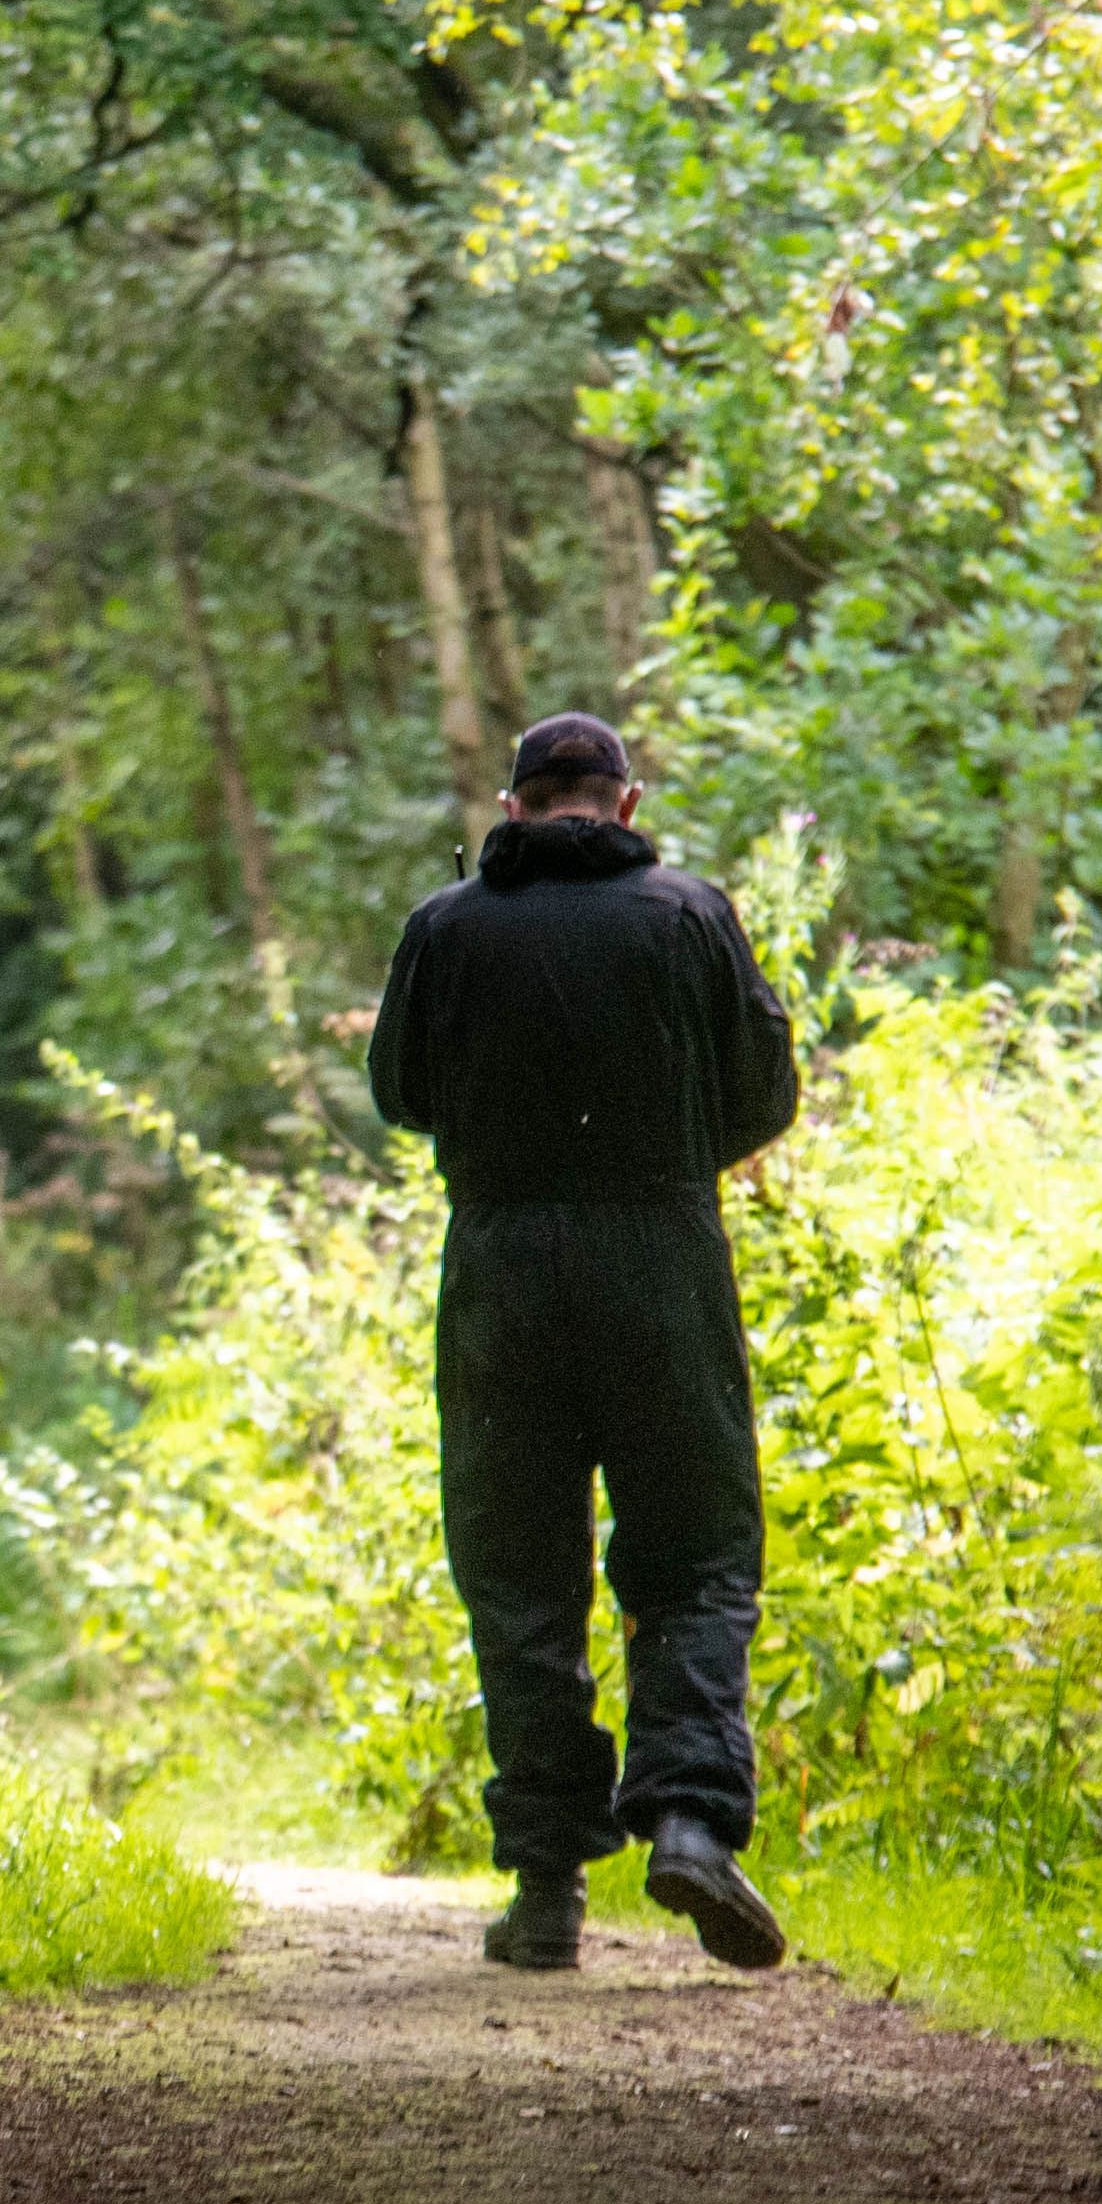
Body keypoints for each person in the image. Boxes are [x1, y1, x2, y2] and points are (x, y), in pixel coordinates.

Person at [364, 712, 802, 1974]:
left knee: (518, 1574)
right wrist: (660, 1160)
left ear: (512, 809)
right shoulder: (689, 916)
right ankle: (686, 1817)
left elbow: (400, 1092)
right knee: (696, 1553)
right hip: (664, 1262)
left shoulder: (445, 931)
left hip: (499, 1270)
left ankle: (548, 1884)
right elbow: (763, 1090)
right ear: (625, 801)